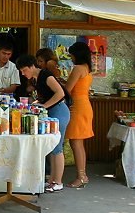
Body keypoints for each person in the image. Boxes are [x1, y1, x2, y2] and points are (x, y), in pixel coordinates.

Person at [16, 54, 70, 192]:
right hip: (52, 112)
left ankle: (58, 181)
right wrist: (39, 103)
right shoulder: (36, 79)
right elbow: (47, 96)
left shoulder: (46, 75)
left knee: (57, 147)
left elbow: (60, 93)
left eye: (24, 70)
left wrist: (45, 105)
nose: (23, 73)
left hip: (59, 111)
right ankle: (52, 180)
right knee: (51, 147)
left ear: (32, 66)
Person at [64, 42, 94, 188]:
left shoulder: (77, 68)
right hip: (84, 105)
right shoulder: (87, 68)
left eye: (71, 55)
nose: (71, 58)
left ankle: (81, 177)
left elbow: (67, 89)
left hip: (77, 107)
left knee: (75, 143)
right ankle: (82, 175)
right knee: (78, 143)